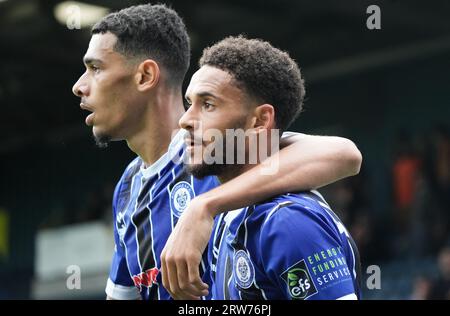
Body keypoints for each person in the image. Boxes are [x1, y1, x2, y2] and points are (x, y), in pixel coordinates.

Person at [72, 4, 362, 300]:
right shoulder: (128, 190)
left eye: (95, 68)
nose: (79, 86)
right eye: (192, 102)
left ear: (146, 75)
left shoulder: (225, 155)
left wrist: (203, 207)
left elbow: (344, 154)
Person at [176, 36, 361, 299]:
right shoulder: (229, 214)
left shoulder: (287, 222)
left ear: (261, 120)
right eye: (188, 103)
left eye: (207, 105)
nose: (185, 120)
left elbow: (346, 153)